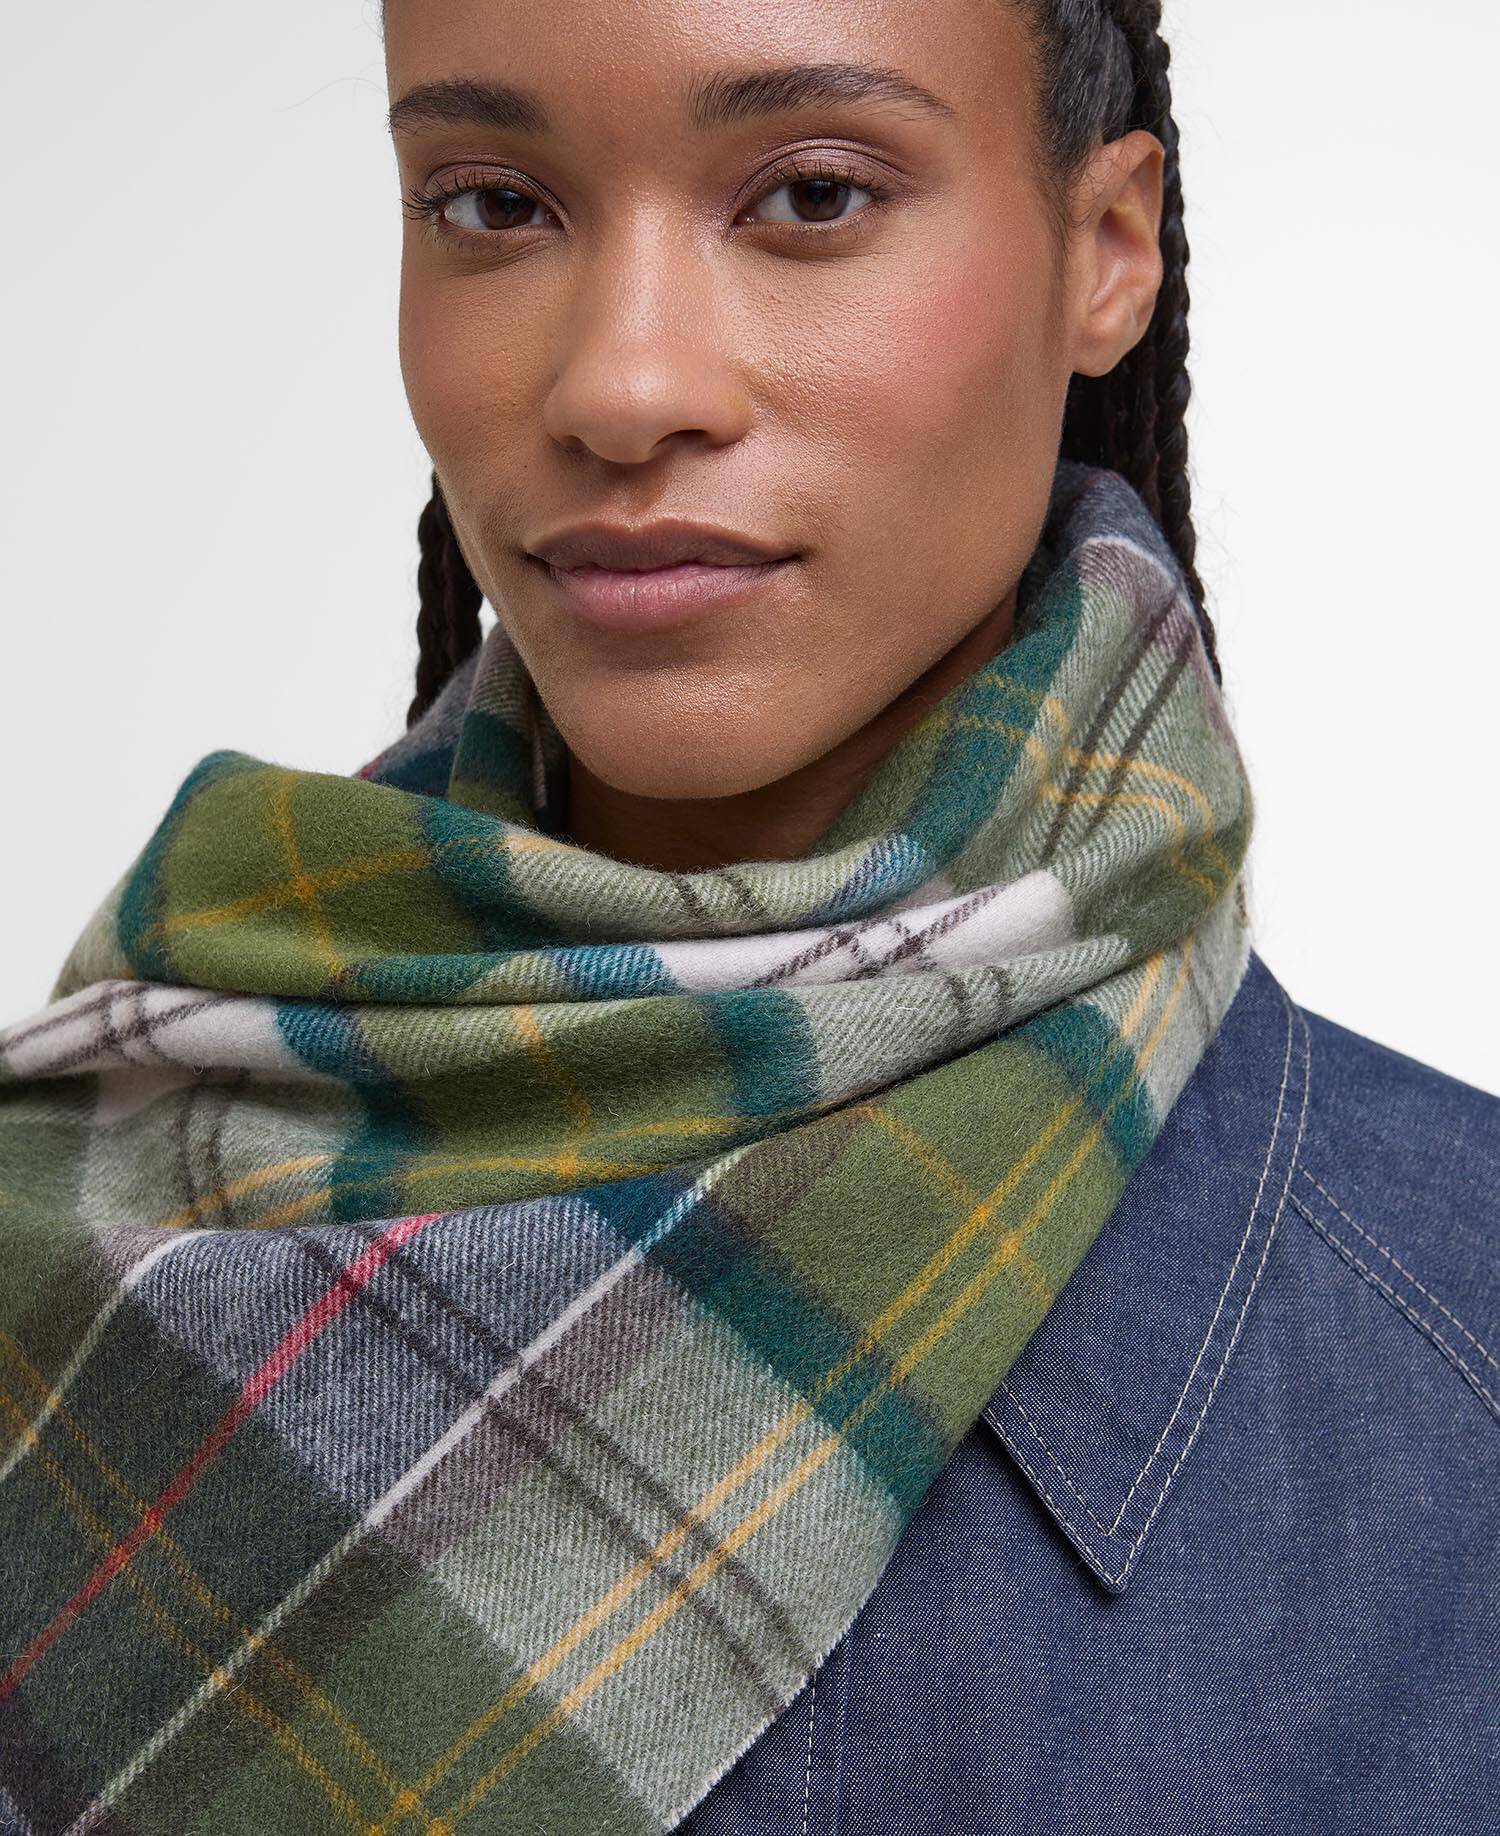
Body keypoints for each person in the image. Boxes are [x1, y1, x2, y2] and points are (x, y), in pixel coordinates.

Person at [0, 3, 1493, 1833]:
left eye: (811, 194)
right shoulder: (85, 1197)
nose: (624, 386)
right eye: (491, 205)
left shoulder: (1460, 1373)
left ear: (1109, 249)